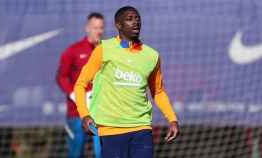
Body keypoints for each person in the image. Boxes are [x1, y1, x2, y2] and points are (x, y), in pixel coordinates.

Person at [74, 6, 179, 158]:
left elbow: (158, 91)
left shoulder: (151, 56)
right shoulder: (104, 49)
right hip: (111, 129)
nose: (135, 22)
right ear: (118, 25)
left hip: (141, 128)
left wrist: (172, 119)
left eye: (137, 19)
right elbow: (80, 84)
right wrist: (84, 115)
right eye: (129, 19)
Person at [56, 12, 104, 158]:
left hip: (100, 113)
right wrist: (75, 95)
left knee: (102, 152)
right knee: (76, 153)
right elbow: (61, 77)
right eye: (95, 27)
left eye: (101, 28)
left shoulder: (107, 50)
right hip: (76, 113)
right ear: (87, 28)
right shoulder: (73, 51)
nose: (98, 31)